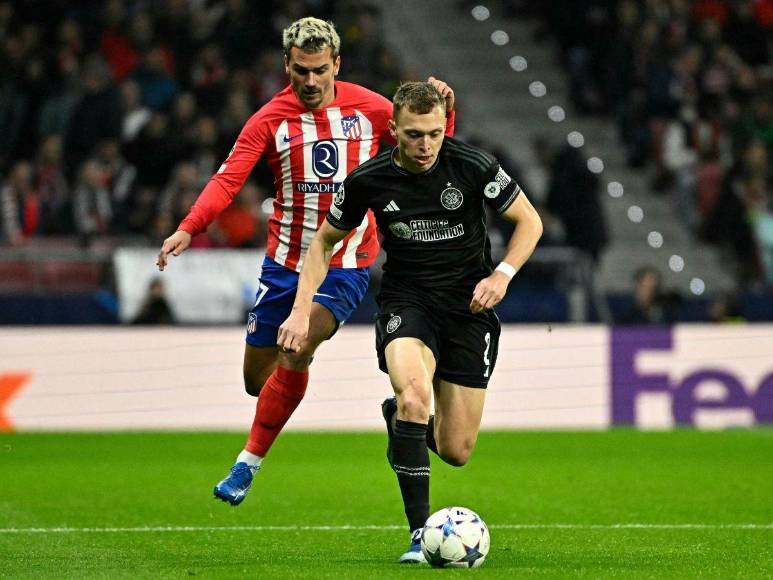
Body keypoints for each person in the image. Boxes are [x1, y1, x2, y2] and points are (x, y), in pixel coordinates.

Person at [155, 17, 457, 506]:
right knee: (259, 380)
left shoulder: (374, 109)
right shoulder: (269, 119)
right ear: (287, 66)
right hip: (283, 264)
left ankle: (245, 466)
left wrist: (449, 109)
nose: (311, 81)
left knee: (296, 348)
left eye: (320, 70)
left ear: (336, 64)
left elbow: (430, 144)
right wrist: (189, 227)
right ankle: (384, 412)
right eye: (301, 71)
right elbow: (228, 179)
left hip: (346, 262)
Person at [278, 82, 542, 563]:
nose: (426, 146)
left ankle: (398, 424)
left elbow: (530, 222)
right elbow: (322, 243)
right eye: (415, 134)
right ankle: (420, 534)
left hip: (469, 309)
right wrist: (300, 309)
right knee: (415, 398)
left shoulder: (472, 165)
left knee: (456, 450)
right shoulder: (369, 180)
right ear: (394, 129)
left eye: (435, 134)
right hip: (407, 302)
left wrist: (502, 275)